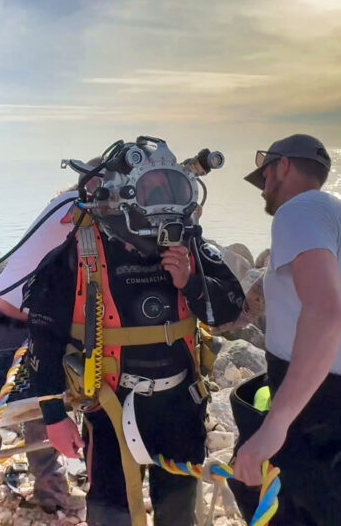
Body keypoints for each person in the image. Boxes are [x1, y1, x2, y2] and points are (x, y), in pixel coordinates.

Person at [24, 137, 244, 526]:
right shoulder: (81, 252)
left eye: (169, 188)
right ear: (120, 193)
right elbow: (43, 335)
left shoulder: (188, 246)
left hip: (180, 405)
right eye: (151, 189)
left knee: (178, 510)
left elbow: (229, 308)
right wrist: (54, 416)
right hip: (109, 406)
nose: (161, 202)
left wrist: (191, 282)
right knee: (111, 511)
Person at [230, 134, 341, 525]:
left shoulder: (297, 212)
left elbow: (325, 313)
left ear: (283, 166)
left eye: (265, 175)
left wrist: (276, 424)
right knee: (296, 500)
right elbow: (274, 298)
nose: (263, 189)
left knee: (260, 485)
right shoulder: (335, 212)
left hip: (327, 401)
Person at [0, 159, 102, 526]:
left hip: (34, 324)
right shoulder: (74, 207)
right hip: (3, 324)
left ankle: (51, 495)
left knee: (43, 407)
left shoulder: (75, 207)